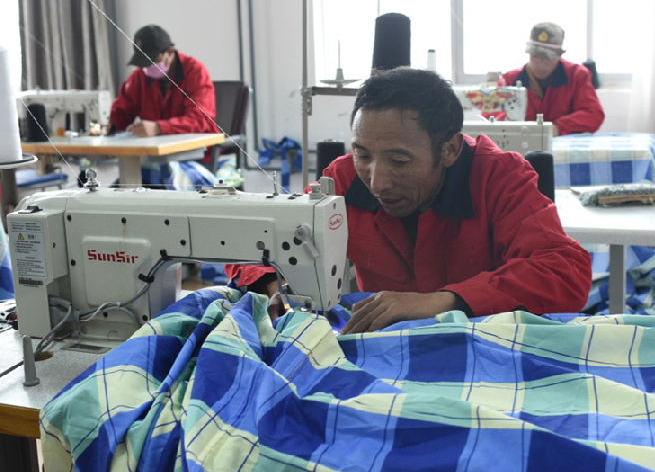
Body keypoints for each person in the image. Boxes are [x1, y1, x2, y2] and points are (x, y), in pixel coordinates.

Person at [225, 67, 592, 334]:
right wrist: (272, 286)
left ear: (449, 149)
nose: (377, 181)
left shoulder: (499, 177)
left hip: (486, 346)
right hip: (388, 351)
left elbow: (565, 272)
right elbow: (261, 244)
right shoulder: (344, 179)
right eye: (363, 154)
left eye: (399, 161)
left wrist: (442, 300)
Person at [109, 25, 217, 137]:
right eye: (143, 63)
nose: (147, 67)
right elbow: (122, 110)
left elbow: (200, 120)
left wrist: (159, 128)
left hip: (197, 145)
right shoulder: (139, 76)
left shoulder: (195, 72)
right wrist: (110, 126)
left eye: (152, 60)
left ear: (169, 52)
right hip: (157, 146)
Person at [499, 22, 604, 135]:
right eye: (535, 55)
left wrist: (558, 127)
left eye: (546, 57)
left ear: (560, 54)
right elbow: (492, 115)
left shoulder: (577, 76)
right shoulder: (508, 80)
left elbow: (593, 115)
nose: (540, 62)